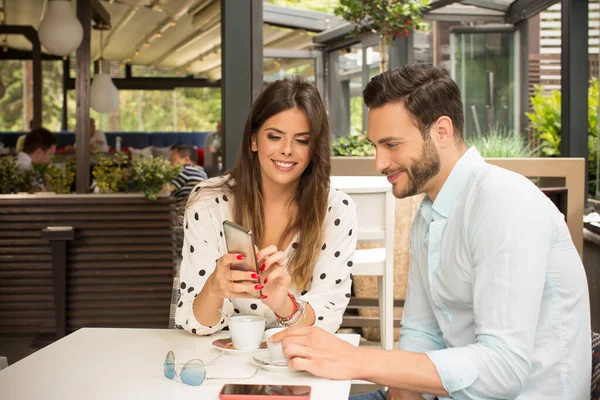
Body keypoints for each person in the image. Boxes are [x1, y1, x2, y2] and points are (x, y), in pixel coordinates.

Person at [271, 63, 591, 399]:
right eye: (376, 146)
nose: (379, 162)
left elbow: (504, 369)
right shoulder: (429, 214)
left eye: (392, 144)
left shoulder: (504, 204)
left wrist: (357, 361)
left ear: (441, 131)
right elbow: (422, 332)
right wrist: (400, 390)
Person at [175, 76, 358, 336]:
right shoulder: (208, 203)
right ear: (253, 141)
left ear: (314, 148)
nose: (287, 150)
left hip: (296, 362)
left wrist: (283, 303)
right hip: (221, 362)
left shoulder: (337, 210)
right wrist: (215, 288)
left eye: (302, 141)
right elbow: (195, 323)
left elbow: (327, 319)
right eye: (274, 136)